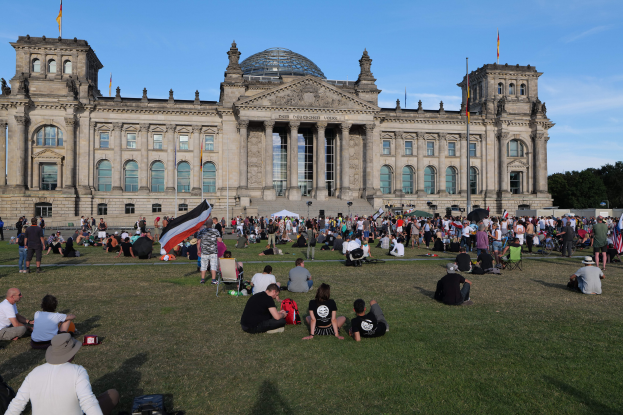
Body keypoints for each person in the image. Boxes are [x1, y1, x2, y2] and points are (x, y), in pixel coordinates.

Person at [5, 332, 119, 415]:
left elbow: (17, 403)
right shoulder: (78, 371)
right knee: (113, 394)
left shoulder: (34, 373)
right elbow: (88, 402)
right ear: (72, 352)